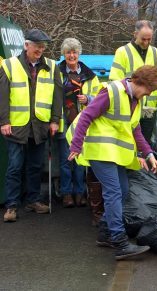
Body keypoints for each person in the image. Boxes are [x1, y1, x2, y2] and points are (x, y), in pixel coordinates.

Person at [67, 65, 157, 260]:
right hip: (98, 150)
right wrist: (76, 146)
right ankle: (120, 242)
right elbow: (87, 115)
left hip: (112, 152)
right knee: (114, 192)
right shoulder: (111, 91)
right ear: (140, 83)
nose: (149, 94)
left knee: (123, 189)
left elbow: (135, 130)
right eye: (149, 90)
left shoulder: (135, 100)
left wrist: (149, 154)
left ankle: (105, 232)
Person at [1, 29, 62, 223]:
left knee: (36, 166)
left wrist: (55, 120)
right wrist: (4, 121)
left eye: (43, 46)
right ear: (26, 45)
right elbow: (2, 96)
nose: (41, 49)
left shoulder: (52, 66)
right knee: (14, 167)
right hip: (17, 125)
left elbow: (57, 97)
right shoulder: (9, 65)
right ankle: (11, 206)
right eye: (37, 45)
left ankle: (33, 200)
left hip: (40, 125)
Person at [57, 37, 102, 208]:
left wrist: (88, 98)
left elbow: (100, 97)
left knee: (80, 160)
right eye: (68, 52)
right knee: (65, 159)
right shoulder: (57, 72)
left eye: (74, 52)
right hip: (63, 120)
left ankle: (80, 192)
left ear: (79, 53)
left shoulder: (90, 75)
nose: (71, 55)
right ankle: (67, 193)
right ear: (64, 54)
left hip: (82, 122)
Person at [109, 20, 157, 106]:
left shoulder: (156, 53)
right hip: (130, 106)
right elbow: (115, 80)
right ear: (135, 34)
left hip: (152, 107)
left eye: (149, 39)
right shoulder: (122, 52)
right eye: (143, 39)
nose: (146, 42)